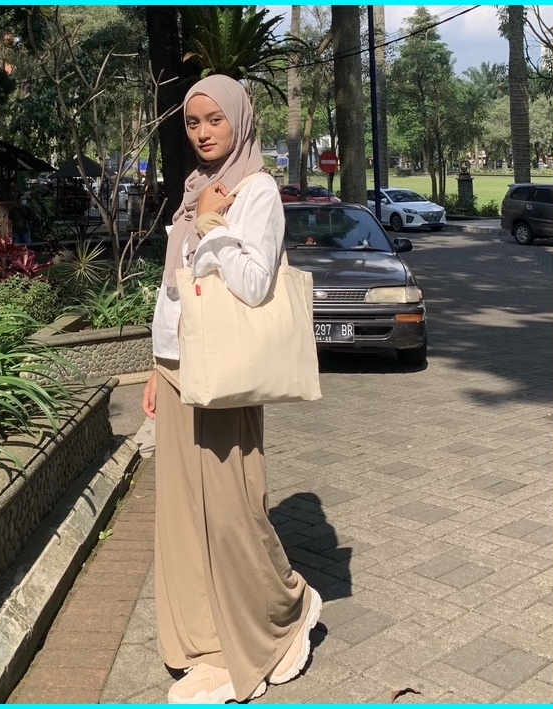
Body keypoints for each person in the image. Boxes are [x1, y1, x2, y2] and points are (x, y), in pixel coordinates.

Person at [142, 74, 322, 705]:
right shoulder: (196, 187)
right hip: (177, 367)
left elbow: (252, 283)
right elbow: (176, 288)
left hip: (222, 373)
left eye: (214, 119)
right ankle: (208, 643)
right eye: (193, 123)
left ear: (239, 120)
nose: (203, 132)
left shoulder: (256, 190)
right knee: (184, 517)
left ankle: (286, 610)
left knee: (232, 512)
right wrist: (155, 364)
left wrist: (213, 225)